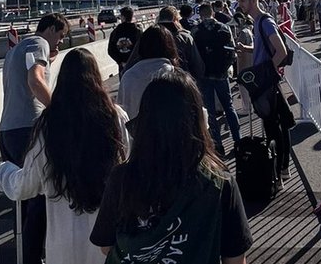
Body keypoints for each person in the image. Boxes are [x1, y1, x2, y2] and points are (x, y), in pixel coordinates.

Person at [91, 68, 252, 263]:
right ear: (196, 120)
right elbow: (235, 258)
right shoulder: (219, 183)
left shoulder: (122, 177)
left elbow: (106, 245)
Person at [0, 48, 130, 264]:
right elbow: (127, 166)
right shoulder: (115, 117)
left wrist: (3, 173)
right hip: (107, 239)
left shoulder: (48, 124)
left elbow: (27, 185)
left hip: (63, 246)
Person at [0, 13, 70, 264]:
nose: (60, 42)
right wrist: (57, 110)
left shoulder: (15, 49)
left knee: (20, 195)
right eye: (60, 36)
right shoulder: (38, 44)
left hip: (7, 129)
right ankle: (34, 256)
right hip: (27, 128)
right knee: (39, 193)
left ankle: (23, 251)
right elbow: (34, 79)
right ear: (50, 28)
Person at [235, 0, 295, 183]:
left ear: (254, 0)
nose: (240, 5)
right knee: (277, 125)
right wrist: (248, 49)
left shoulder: (265, 22)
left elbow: (281, 52)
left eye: (243, 1)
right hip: (267, 81)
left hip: (266, 83)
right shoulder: (259, 23)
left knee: (273, 127)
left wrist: (265, 73)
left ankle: (280, 171)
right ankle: (282, 169)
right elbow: (267, 49)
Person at [194, 3, 241, 155]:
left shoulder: (195, 31)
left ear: (200, 15)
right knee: (229, 107)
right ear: (212, 13)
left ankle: (218, 145)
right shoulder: (224, 28)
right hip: (221, 74)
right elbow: (232, 52)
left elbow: (194, 56)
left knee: (210, 111)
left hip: (205, 75)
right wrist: (226, 67)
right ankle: (238, 141)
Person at [117, 25, 177, 119]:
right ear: (170, 47)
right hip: (169, 131)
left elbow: (121, 113)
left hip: (135, 132)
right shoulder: (175, 75)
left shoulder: (128, 76)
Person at [158, 5, 206, 80]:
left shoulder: (147, 35)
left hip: (153, 81)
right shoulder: (184, 37)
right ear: (175, 19)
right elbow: (197, 64)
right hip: (180, 80)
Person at [107, 6, 142, 78]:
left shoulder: (115, 32)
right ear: (132, 16)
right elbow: (142, 48)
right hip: (136, 65)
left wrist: (120, 61)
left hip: (122, 66)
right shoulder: (138, 31)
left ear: (122, 17)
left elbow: (111, 50)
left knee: (124, 86)